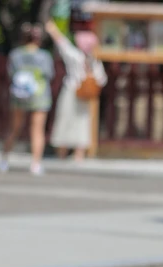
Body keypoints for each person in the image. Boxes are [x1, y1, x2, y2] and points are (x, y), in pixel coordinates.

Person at [46, 21, 107, 162]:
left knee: (65, 120)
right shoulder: (95, 62)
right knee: (82, 123)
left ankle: (61, 154)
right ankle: (79, 155)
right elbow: (102, 79)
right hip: (85, 96)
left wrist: (52, 29)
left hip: (71, 92)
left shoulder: (75, 56)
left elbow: (62, 44)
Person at [0, 23, 55, 176]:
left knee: (14, 128)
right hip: (40, 95)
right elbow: (49, 74)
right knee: (37, 130)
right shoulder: (44, 56)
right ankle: (35, 164)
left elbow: (11, 73)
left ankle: (4, 159)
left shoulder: (16, 54)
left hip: (20, 94)